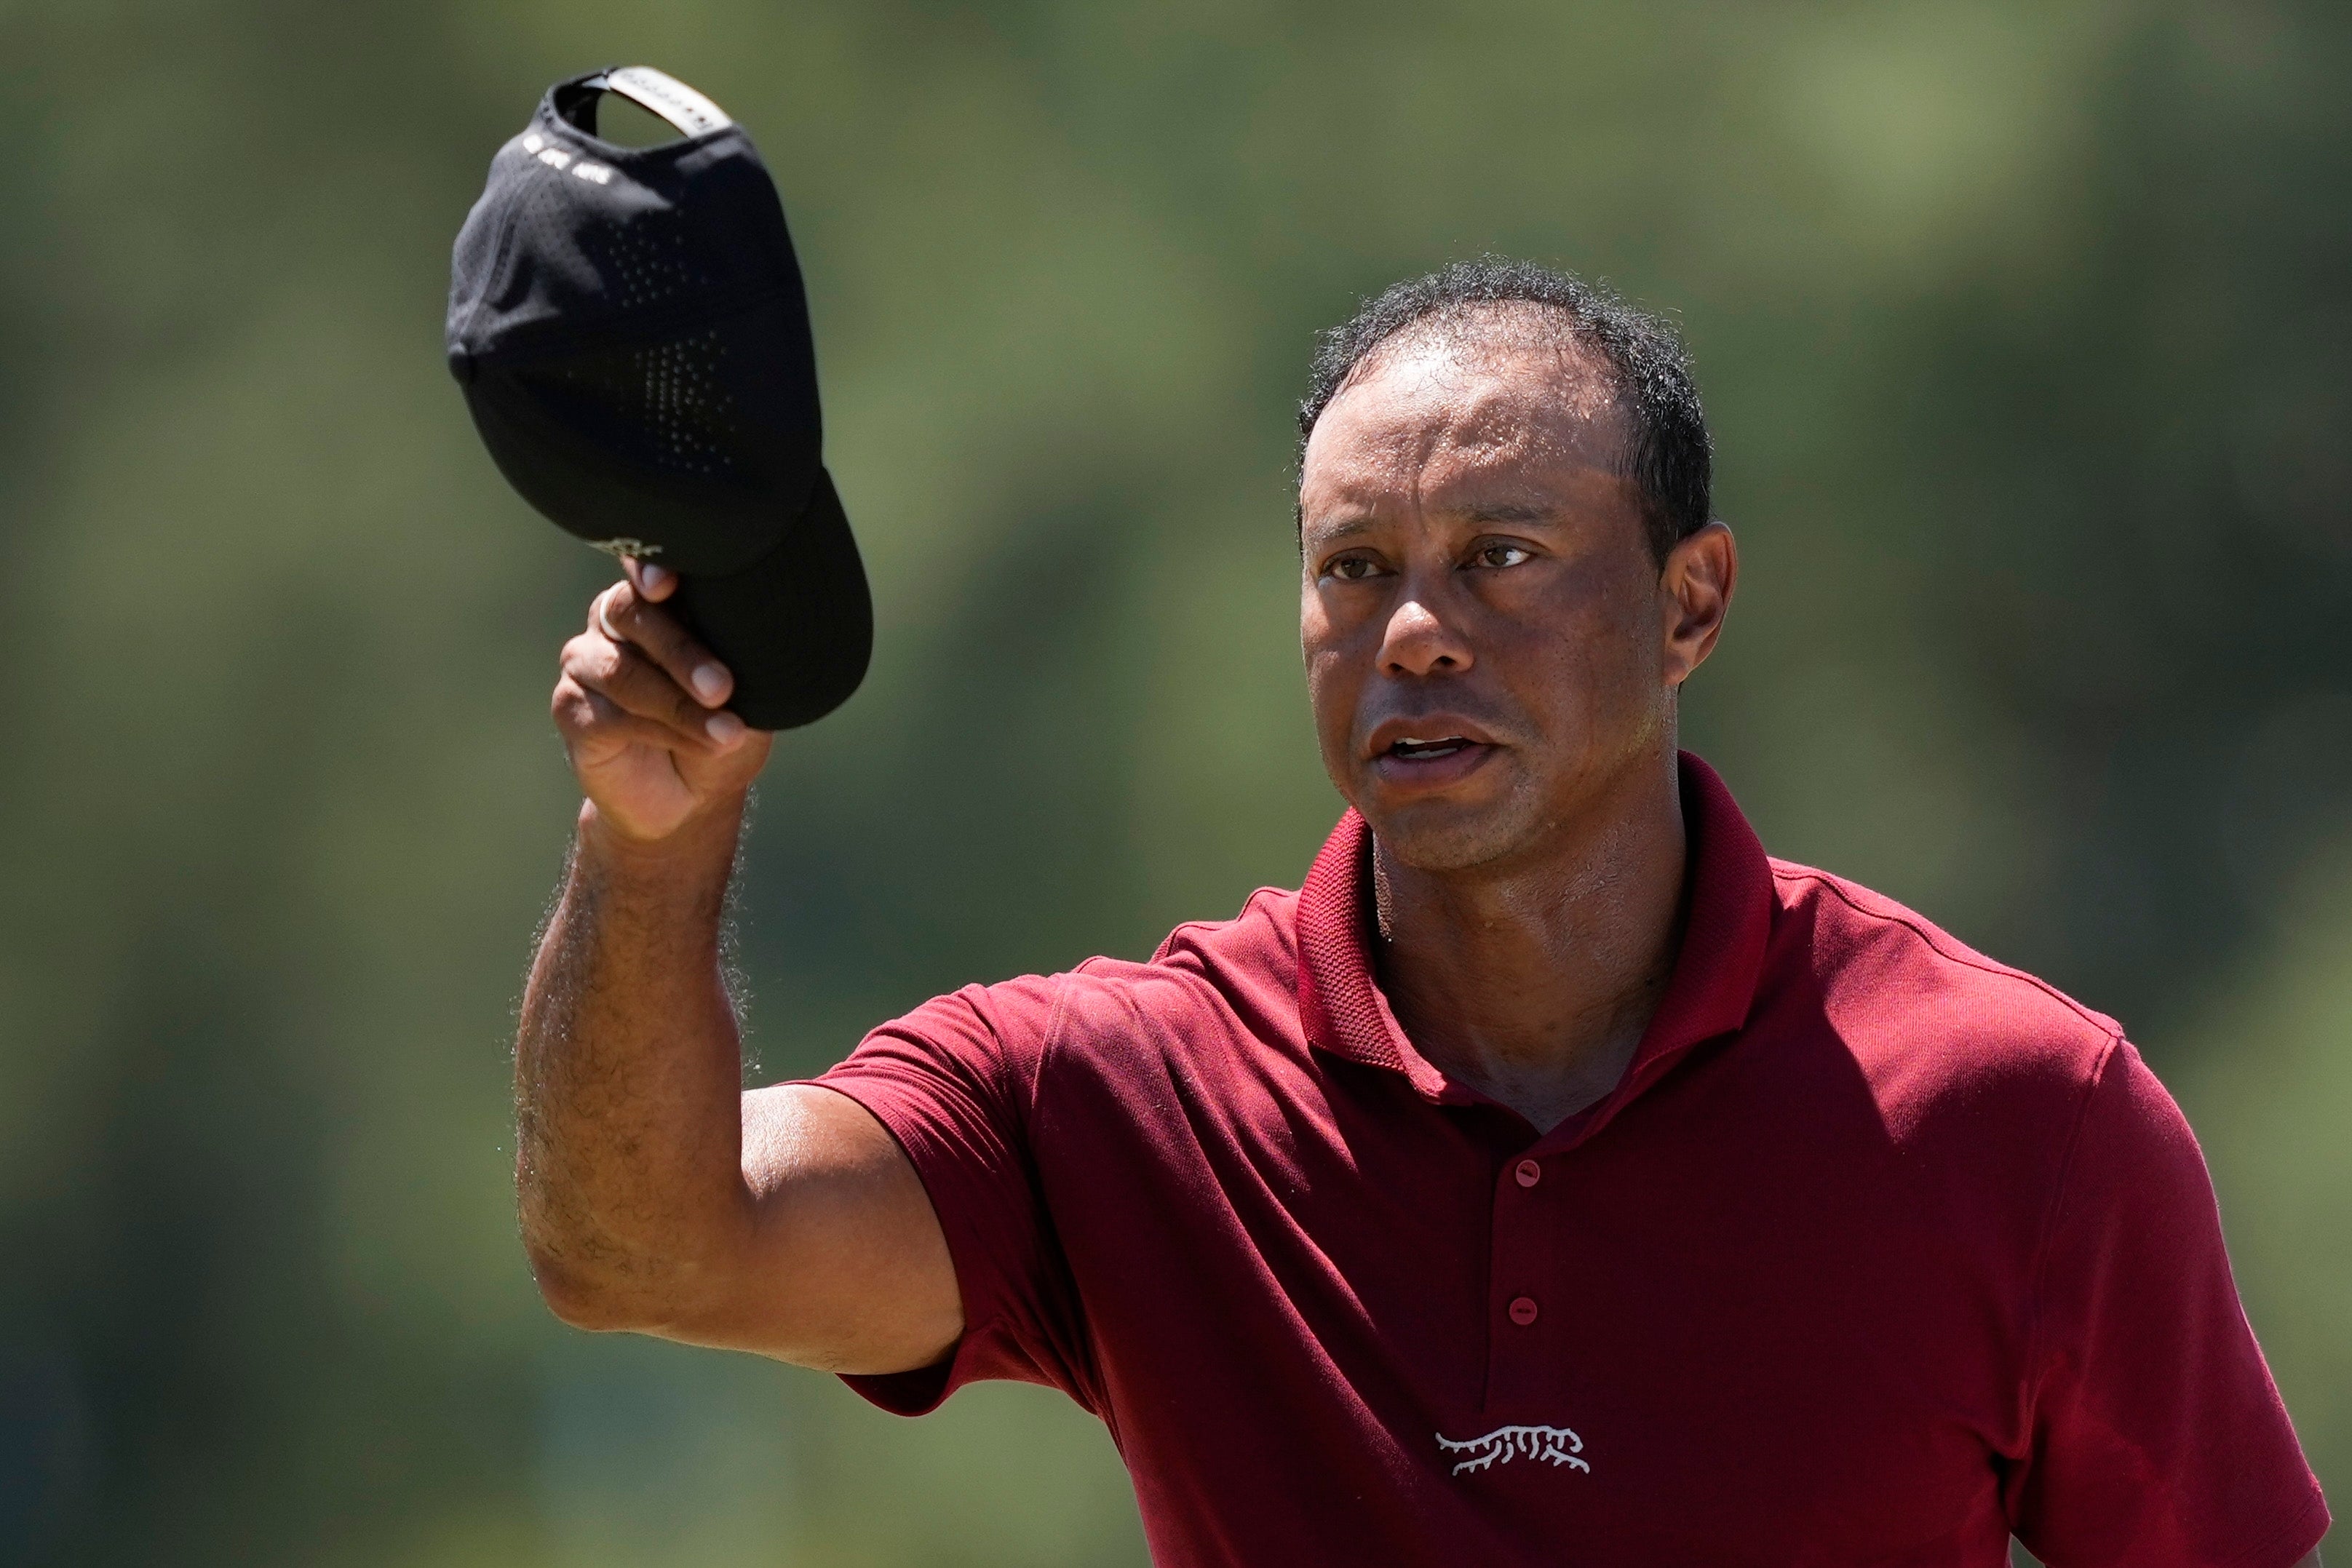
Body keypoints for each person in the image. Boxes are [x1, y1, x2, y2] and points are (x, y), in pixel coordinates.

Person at [514, 259, 2329, 1567]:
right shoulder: (1115, 1092)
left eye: (1503, 556)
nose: (1413, 630)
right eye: (1352, 568)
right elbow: (641, 1249)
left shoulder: (2021, 1112)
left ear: (1691, 604)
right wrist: (655, 848)